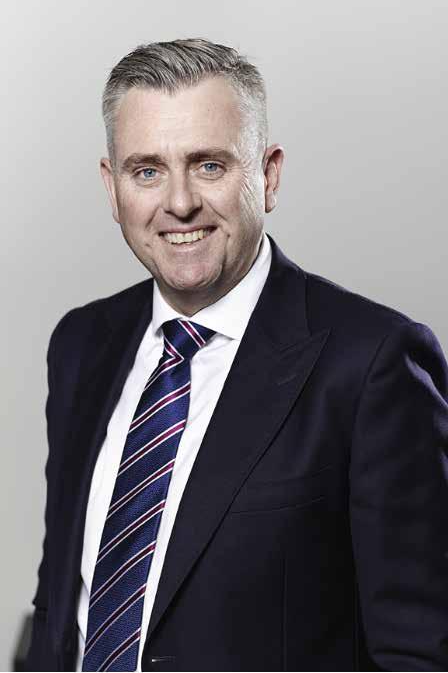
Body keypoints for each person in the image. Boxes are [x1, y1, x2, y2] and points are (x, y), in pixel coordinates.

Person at [26, 38, 448, 672]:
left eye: (208, 165)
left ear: (268, 175)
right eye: (147, 171)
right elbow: (64, 605)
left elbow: (417, 653)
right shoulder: (81, 345)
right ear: (112, 189)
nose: (179, 203)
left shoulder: (373, 364)